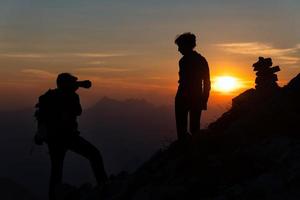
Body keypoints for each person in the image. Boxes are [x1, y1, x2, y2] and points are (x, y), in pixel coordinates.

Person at [35, 73, 108, 200]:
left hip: (53, 140)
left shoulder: (50, 97)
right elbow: (78, 111)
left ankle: (52, 197)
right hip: (68, 137)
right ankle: (105, 186)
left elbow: (44, 116)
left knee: (56, 171)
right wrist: (73, 93)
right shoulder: (71, 96)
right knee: (94, 154)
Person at [174, 32, 211, 140]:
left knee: (185, 131)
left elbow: (207, 82)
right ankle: (191, 152)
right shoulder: (200, 60)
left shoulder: (186, 61)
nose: (179, 50)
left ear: (186, 45)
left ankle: (189, 153)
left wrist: (204, 99)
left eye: (180, 46)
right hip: (193, 97)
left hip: (186, 97)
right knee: (193, 129)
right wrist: (204, 99)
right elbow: (207, 83)